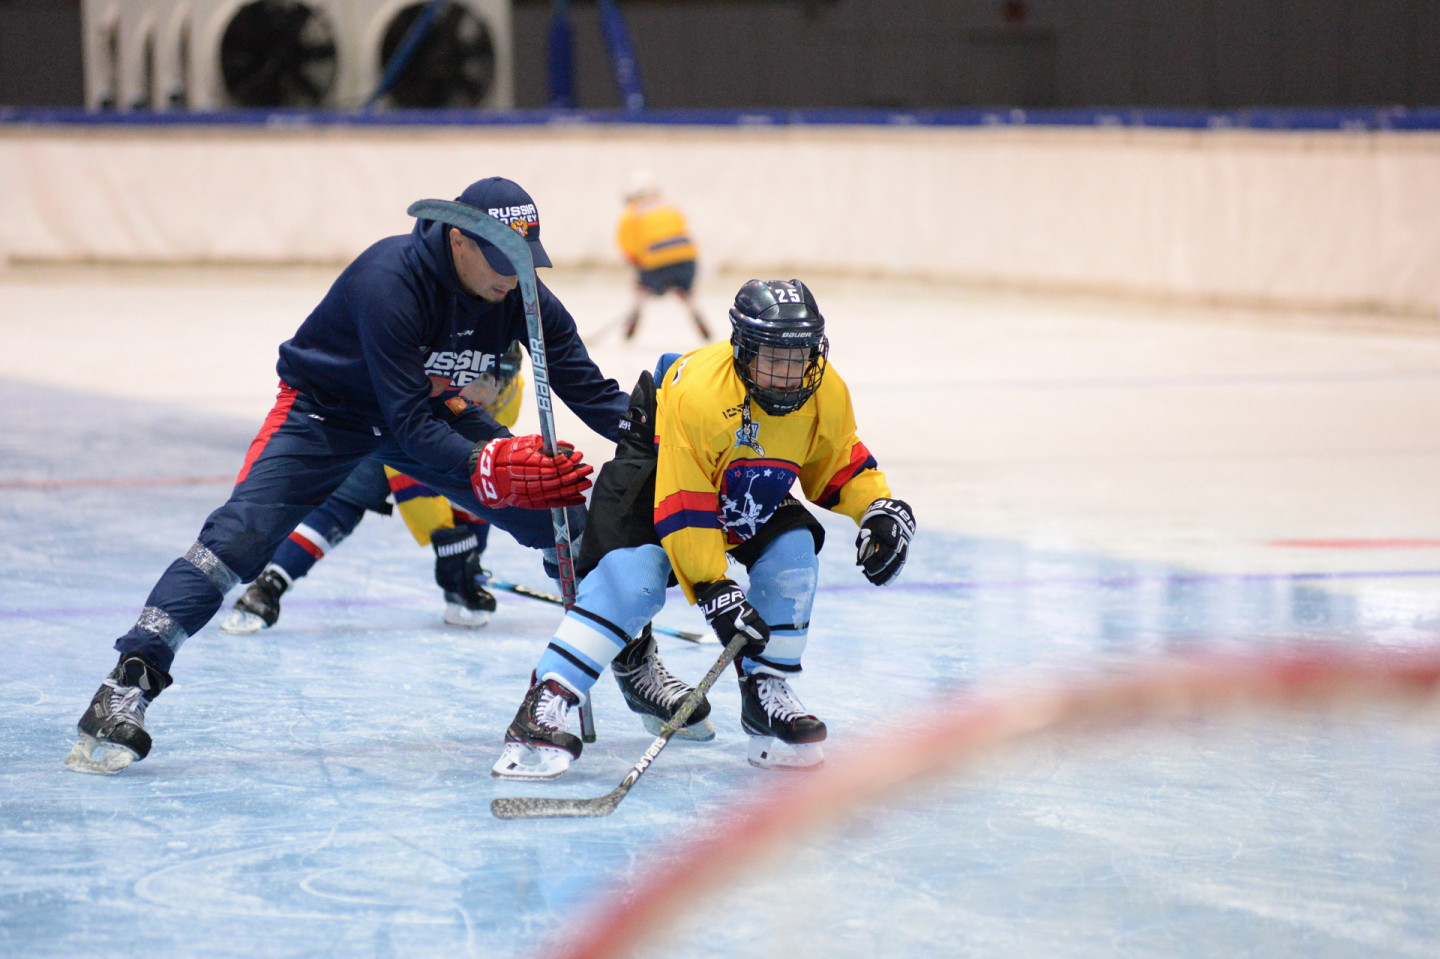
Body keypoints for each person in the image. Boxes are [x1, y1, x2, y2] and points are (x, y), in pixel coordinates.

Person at [65, 176, 701, 775]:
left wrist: (676, 439)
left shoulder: (523, 293)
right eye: (503, 263)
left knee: (563, 518)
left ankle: (631, 660)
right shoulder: (389, 278)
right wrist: (490, 463)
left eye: (526, 260)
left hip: (427, 409)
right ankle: (127, 683)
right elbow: (401, 415)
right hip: (325, 412)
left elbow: (591, 393)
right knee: (237, 539)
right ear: (459, 240)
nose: (516, 279)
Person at [491, 279, 915, 780]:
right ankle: (546, 702)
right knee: (635, 577)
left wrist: (879, 508)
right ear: (741, 350)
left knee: (793, 550)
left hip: (743, 472)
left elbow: (837, 460)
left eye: (799, 358)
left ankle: (767, 690)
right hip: (658, 464)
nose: (788, 376)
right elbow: (686, 504)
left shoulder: (825, 390)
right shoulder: (699, 395)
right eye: (772, 359)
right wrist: (716, 590)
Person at [219, 341, 527, 633]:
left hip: (425, 433)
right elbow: (410, 463)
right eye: (477, 379)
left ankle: (462, 583)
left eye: (494, 380)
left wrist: (465, 554)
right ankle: (269, 585)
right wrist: (443, 532)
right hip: (384, 427)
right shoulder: (435, 381)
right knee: (346, 503)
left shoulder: (512, 396)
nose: (485, 394)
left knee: (481, 484)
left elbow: (478, 473)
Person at [614, 177, 711, 342]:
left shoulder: (630, 213)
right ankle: (699, 319)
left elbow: (629, 250)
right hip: (686, 257)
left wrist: (641, 272)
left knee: (640, 290)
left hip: (655, 259)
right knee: (687, 294)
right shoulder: (669, 207)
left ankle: (632, 322)